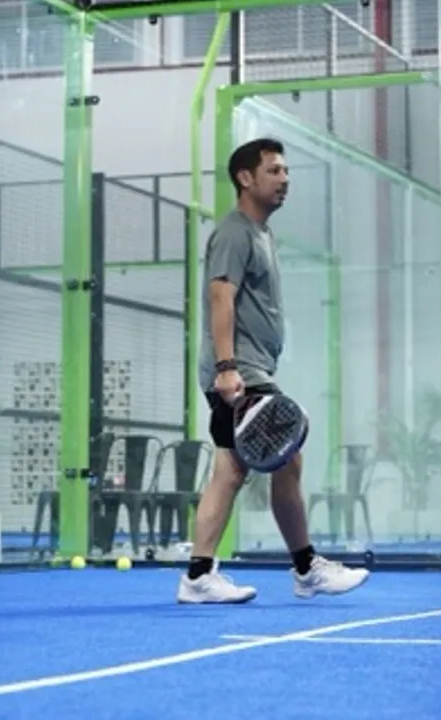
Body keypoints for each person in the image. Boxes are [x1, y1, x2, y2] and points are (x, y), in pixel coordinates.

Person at [176, 138, 370, 604]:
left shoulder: (262, 234)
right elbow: (220, 295)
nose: (285, 180)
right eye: (274, 171)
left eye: (286, 172)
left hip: (251, 366)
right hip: (239, 370)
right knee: (277, 459)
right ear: (245, 178)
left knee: (234, 469)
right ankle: (300, 570)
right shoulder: (235, 232)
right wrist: (227, 367)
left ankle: (205, 575)